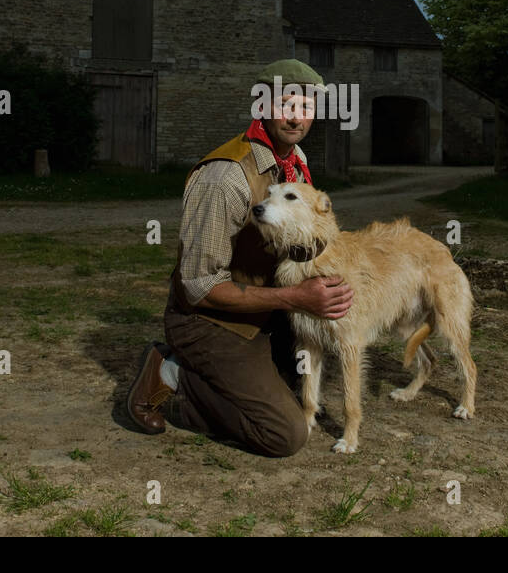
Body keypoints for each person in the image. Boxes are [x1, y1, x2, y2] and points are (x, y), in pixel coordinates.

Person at [125, 59, 354, 456]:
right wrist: (297, 299)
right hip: (209, 320)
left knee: (301, 375)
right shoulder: (225, 176)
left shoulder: (296, 162)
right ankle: (174, 376)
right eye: (285, 104)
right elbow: (198, 287)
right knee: (285, 433)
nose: (296, 117)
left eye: (306, 106)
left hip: (264, 311)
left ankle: (239, 374)